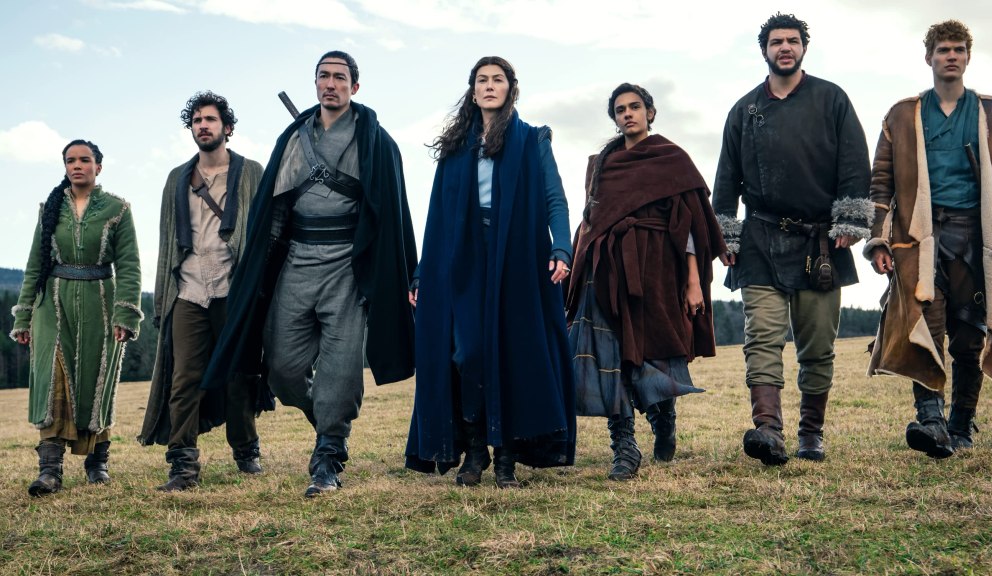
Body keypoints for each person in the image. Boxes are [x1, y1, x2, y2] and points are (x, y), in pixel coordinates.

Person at [203, 51, 418, 498]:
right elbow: (275, 205)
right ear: (315, 83)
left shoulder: (377, 141)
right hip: (297, 260)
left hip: (348, 265)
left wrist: (389, 273)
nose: (330, 84)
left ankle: (328, 455)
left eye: (340, 77)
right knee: (282, 369)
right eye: (324, 76)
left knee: (340, 367)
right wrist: (263, 263)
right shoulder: (293, 138)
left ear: (354, 87)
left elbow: (392, 212)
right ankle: (326, 419)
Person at [405, 56, 575, 488]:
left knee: (512, 352)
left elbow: (554, 198)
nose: (489, 85)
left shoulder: (533, 139)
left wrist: (561, 247)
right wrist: (423, 272)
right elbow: (437, 214)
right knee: (468, 353)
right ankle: (476, 446)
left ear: (510, 88)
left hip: (517, 255)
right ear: (473, 90)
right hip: (463, 256)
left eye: (497, 79)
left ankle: (506, 458)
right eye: (482, 80)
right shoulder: (455, 146)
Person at [712, 13, 872, 465]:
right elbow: (725, 178)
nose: (785, 47)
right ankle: (768, 430)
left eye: (793, 41)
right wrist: (726, 234)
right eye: (777, 41)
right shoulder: (744, 110)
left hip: (820, 242)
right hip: (760, 238)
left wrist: (849, 221)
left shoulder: (831, 99)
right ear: (764, 50)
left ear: (804, 48)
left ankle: (810, 433)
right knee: (762, 337)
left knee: (817, 345)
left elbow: (854, 163)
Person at [866, 20, 992, 458]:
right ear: (929, 58)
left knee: (970, 337)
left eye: (958, 49)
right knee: (926, 326)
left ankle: (961, 425)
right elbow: (880, 184)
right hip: (920, 239)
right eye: (943, 50)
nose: (951, 56)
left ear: (968, 57)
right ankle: (930, 421)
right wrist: (879, 240)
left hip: (977, 238)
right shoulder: (903, 115)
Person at [565, 83, 726, 480]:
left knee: (655, 350)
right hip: (605, 271)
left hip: (657, 267)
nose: (628, 114)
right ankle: (624, 446)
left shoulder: (672, 159)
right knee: (608, 353)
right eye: (620, 110)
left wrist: (693, 281)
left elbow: (689, 225)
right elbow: (591, 221)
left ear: (650, 112)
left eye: (635, 107)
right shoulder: (602, 164)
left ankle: (663, 417)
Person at [138, 91, 266, 490]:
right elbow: (166, 241)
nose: (203, 126)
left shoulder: (251, 172)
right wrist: (163, 297)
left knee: (238, 376)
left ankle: (246, 450)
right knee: (183, 379)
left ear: (227, 128)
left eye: (210, 119)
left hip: (233, 288)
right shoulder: (177, 178)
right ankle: (182, 464)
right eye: (196, 121)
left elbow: (265, 231)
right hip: (189, 289)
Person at [11, 140, 142, 496]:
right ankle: (49, 471)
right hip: (52, 306)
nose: (77, 165)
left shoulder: (117, 209)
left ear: (98, 166)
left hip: (101, 303)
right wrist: (23, 316)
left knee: (97, 379)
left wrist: (126, 313)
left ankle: (97, 463)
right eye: (71, 160)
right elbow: (35, 266)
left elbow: (129, 264)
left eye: (85, 160)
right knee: (52, 380)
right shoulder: (50, 209)